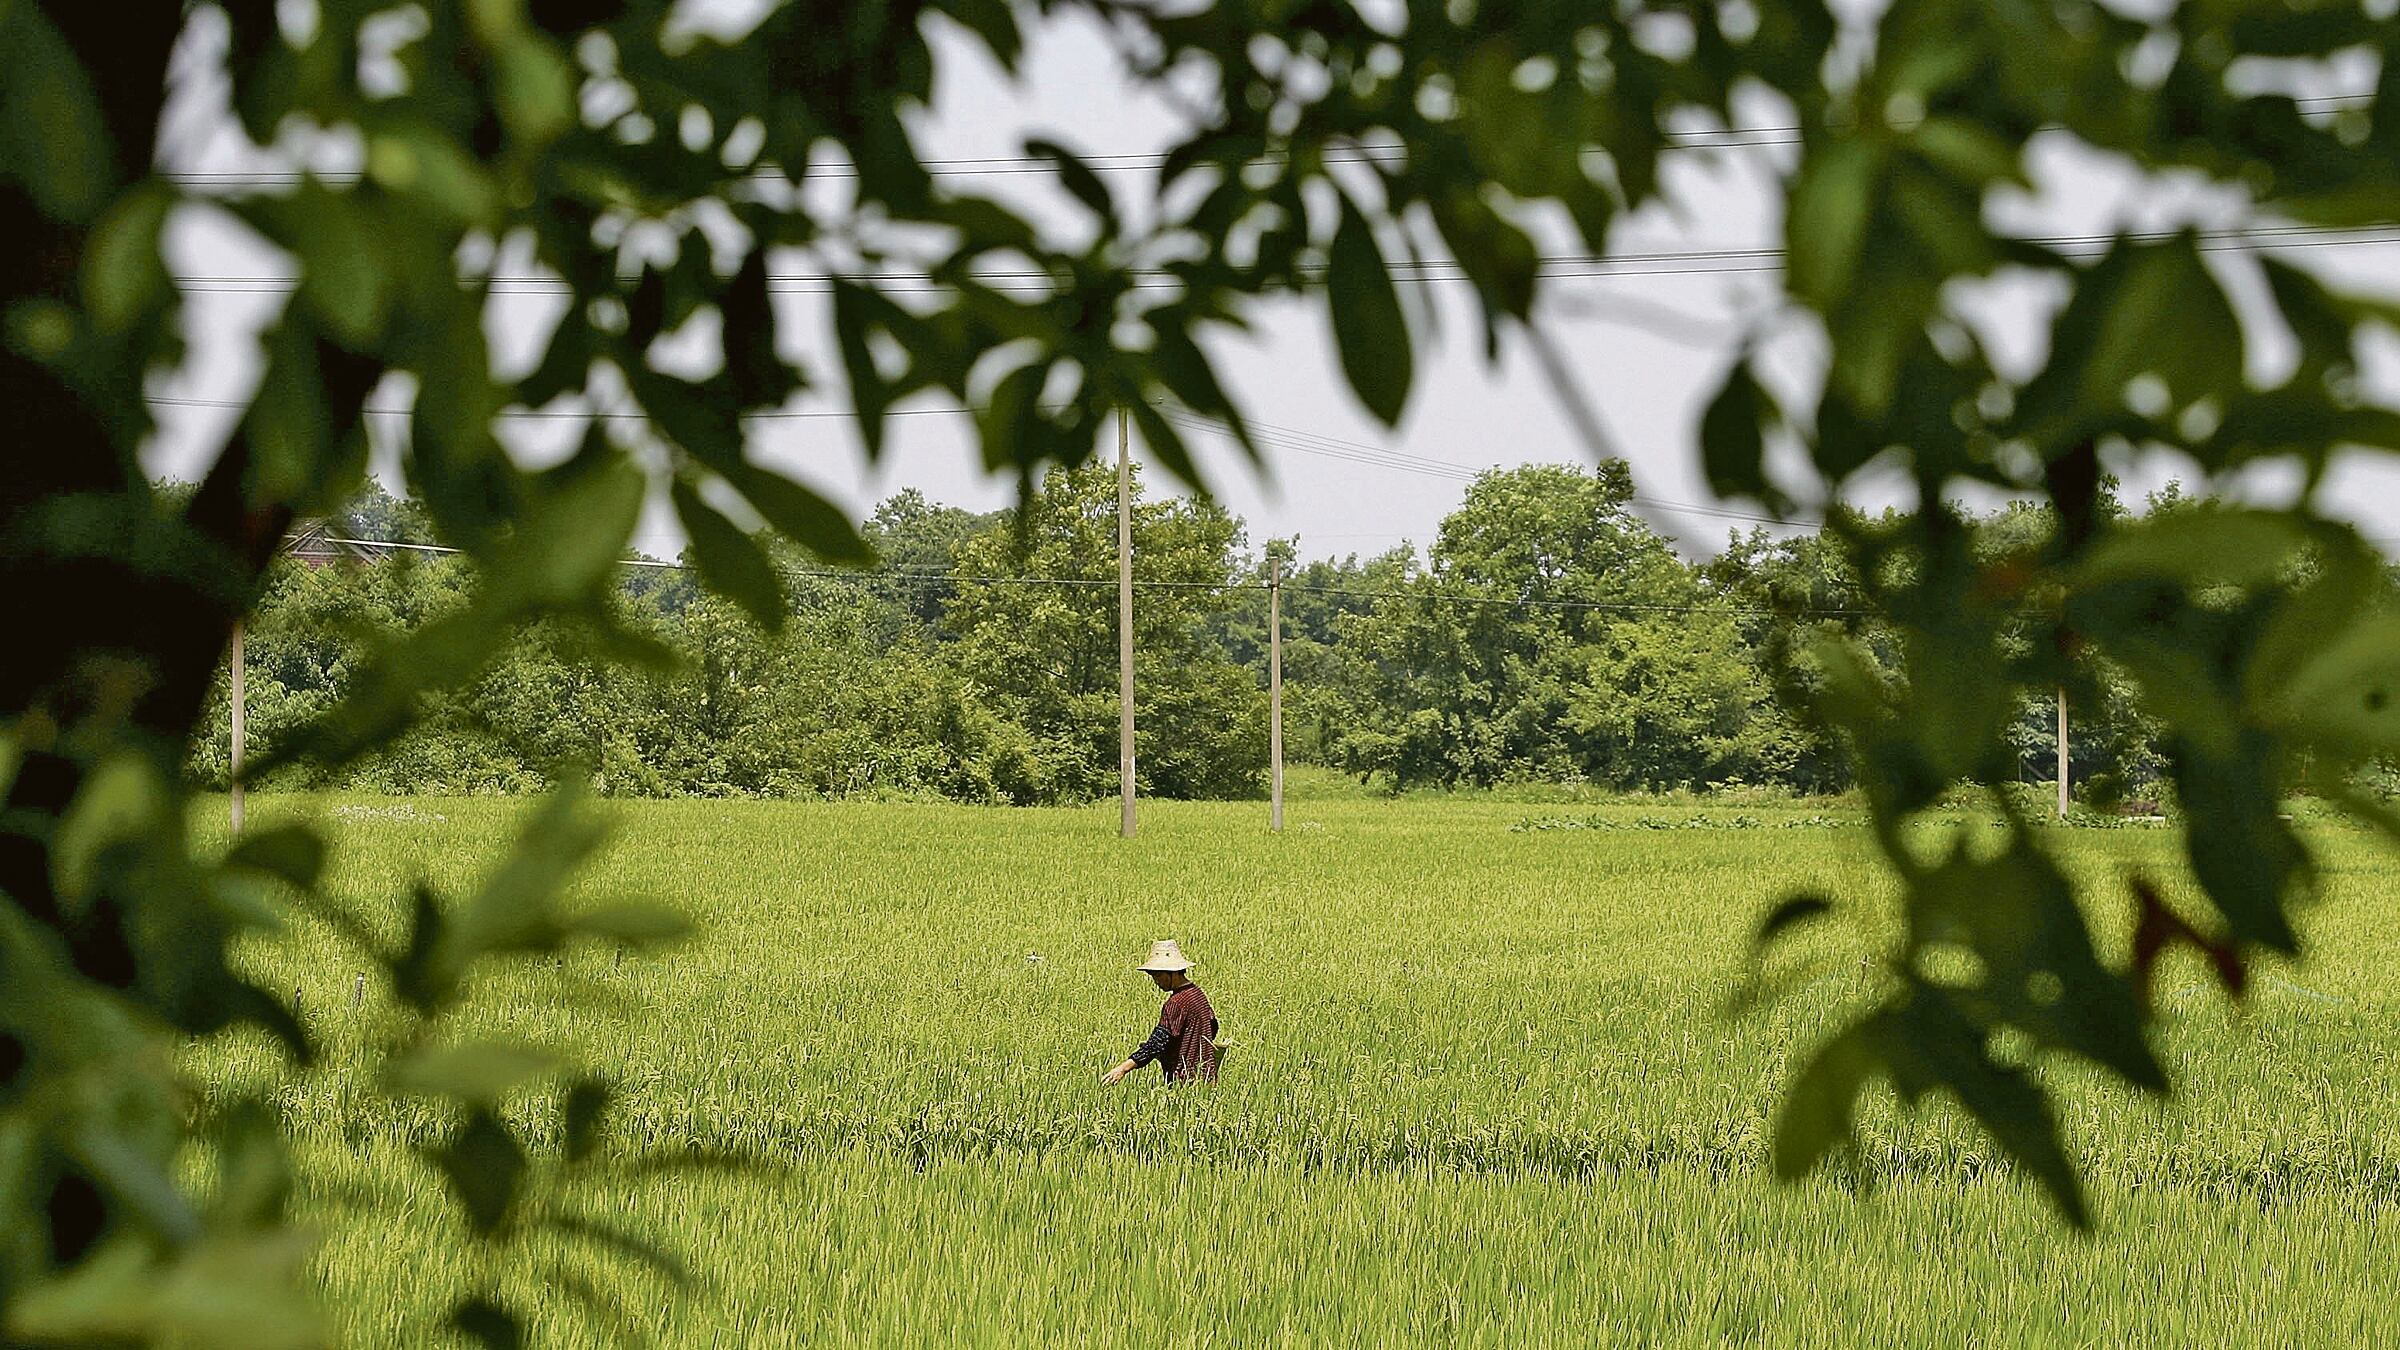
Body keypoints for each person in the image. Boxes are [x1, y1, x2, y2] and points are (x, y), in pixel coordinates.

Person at [1100, 939, 1220, 1085]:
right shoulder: (1198, 994)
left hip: (1184, 1081)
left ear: (1173, 972)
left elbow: (1157, 1042)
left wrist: (1123, 1069)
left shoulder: (1176, 1003)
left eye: (1157, 975)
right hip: (1207, 1077)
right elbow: (1213, 1027)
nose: (1156, 981)